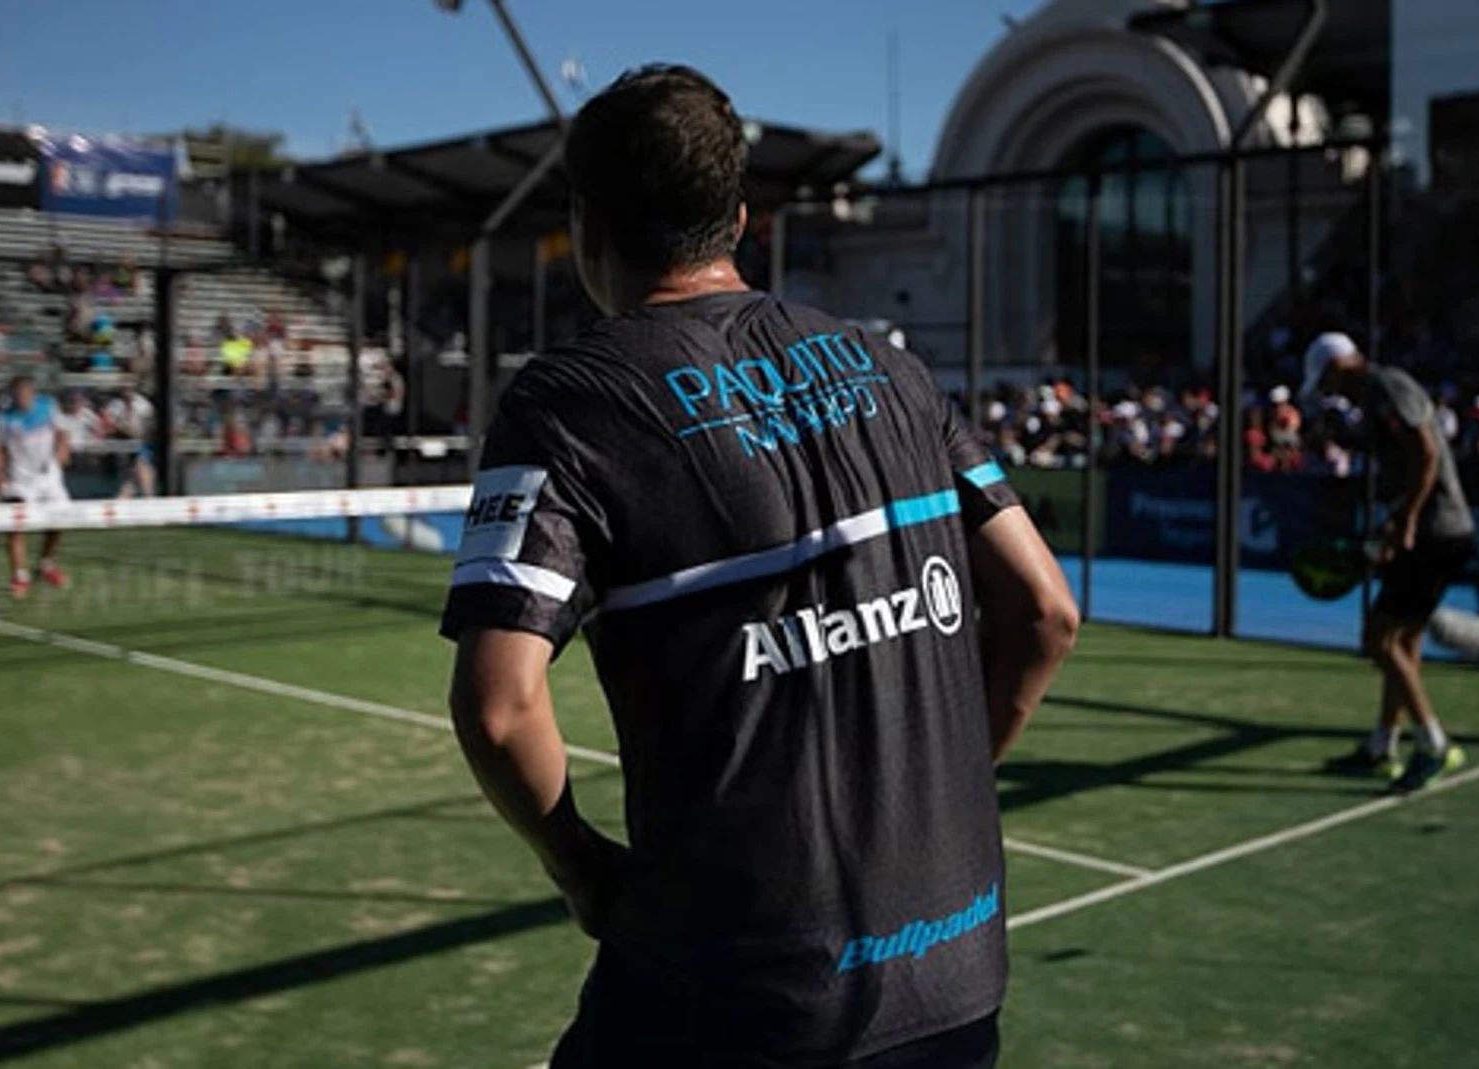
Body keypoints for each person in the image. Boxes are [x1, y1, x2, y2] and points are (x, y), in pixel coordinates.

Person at [441, 65, 1078, 1069]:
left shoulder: (570, 403)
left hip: (732, 993)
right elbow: (1045, 610)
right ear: (739, 216)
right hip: (955, 982)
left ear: (587, 229)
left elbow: (500, 706)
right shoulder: (895, 371)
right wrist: (947, 790)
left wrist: (580, 871)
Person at [1302, 332, 1474, 792]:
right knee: (1404, 642)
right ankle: (1382, 746)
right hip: (1432, 529)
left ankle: (1433, 745)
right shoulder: (1375, 398)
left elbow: (1428, 452)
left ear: (1340, 366)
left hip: (1437, 531)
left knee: (1379, 639)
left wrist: (1410, 519)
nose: (1327, 392)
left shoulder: (1389, 385)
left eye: (1326, 382)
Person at [0, 376, 72, 599]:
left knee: (59, 521)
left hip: (48, 477)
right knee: (16, 526)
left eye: (26, 394)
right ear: (13, 396)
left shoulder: (48, 406)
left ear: (33, 393)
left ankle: (46, 565)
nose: (23, 399)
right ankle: (20, 577)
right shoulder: (5, 418)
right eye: (19, 395)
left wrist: (61, 455)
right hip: (20, 480)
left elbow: (63, 433)